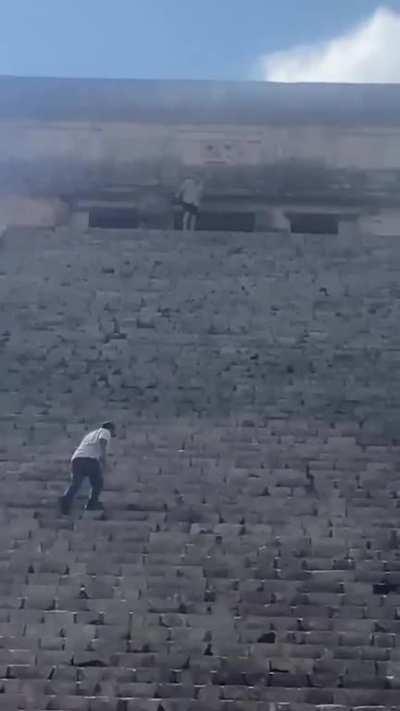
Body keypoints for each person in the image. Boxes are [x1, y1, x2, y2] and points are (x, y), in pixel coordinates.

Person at [59, 422, 116, 514]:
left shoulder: (91, 434)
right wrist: (104, 460)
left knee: (76, 483)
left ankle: (65, 502)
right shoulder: (105, 432)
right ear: (111, 428)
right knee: (98, 482)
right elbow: (102, 441)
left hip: (77, 459)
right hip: (89, 459)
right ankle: (92, 504)